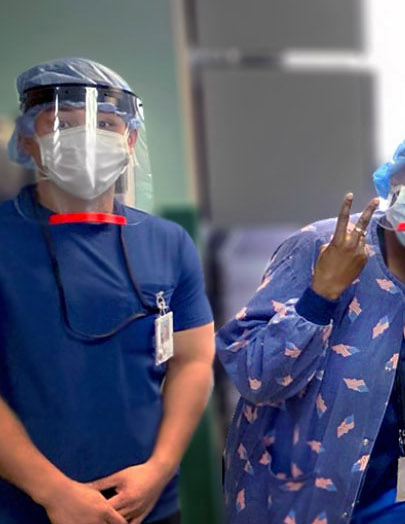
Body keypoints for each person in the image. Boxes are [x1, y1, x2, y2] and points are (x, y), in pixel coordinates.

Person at [217, 127, 405, 523]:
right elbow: (254, 376)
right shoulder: (322, 246)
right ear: (395, 178)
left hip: (400, 497)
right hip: (295, 496)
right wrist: (320, 295)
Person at [0, 57, 215, 524]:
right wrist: (53, 492)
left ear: (130, 140)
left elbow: (193, 361)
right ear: (27, 141)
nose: (87, 136)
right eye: (63, 122)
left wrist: (158, 471)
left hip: (148, 505)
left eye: (106, 123)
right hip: (26, 509)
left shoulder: (168, 242)